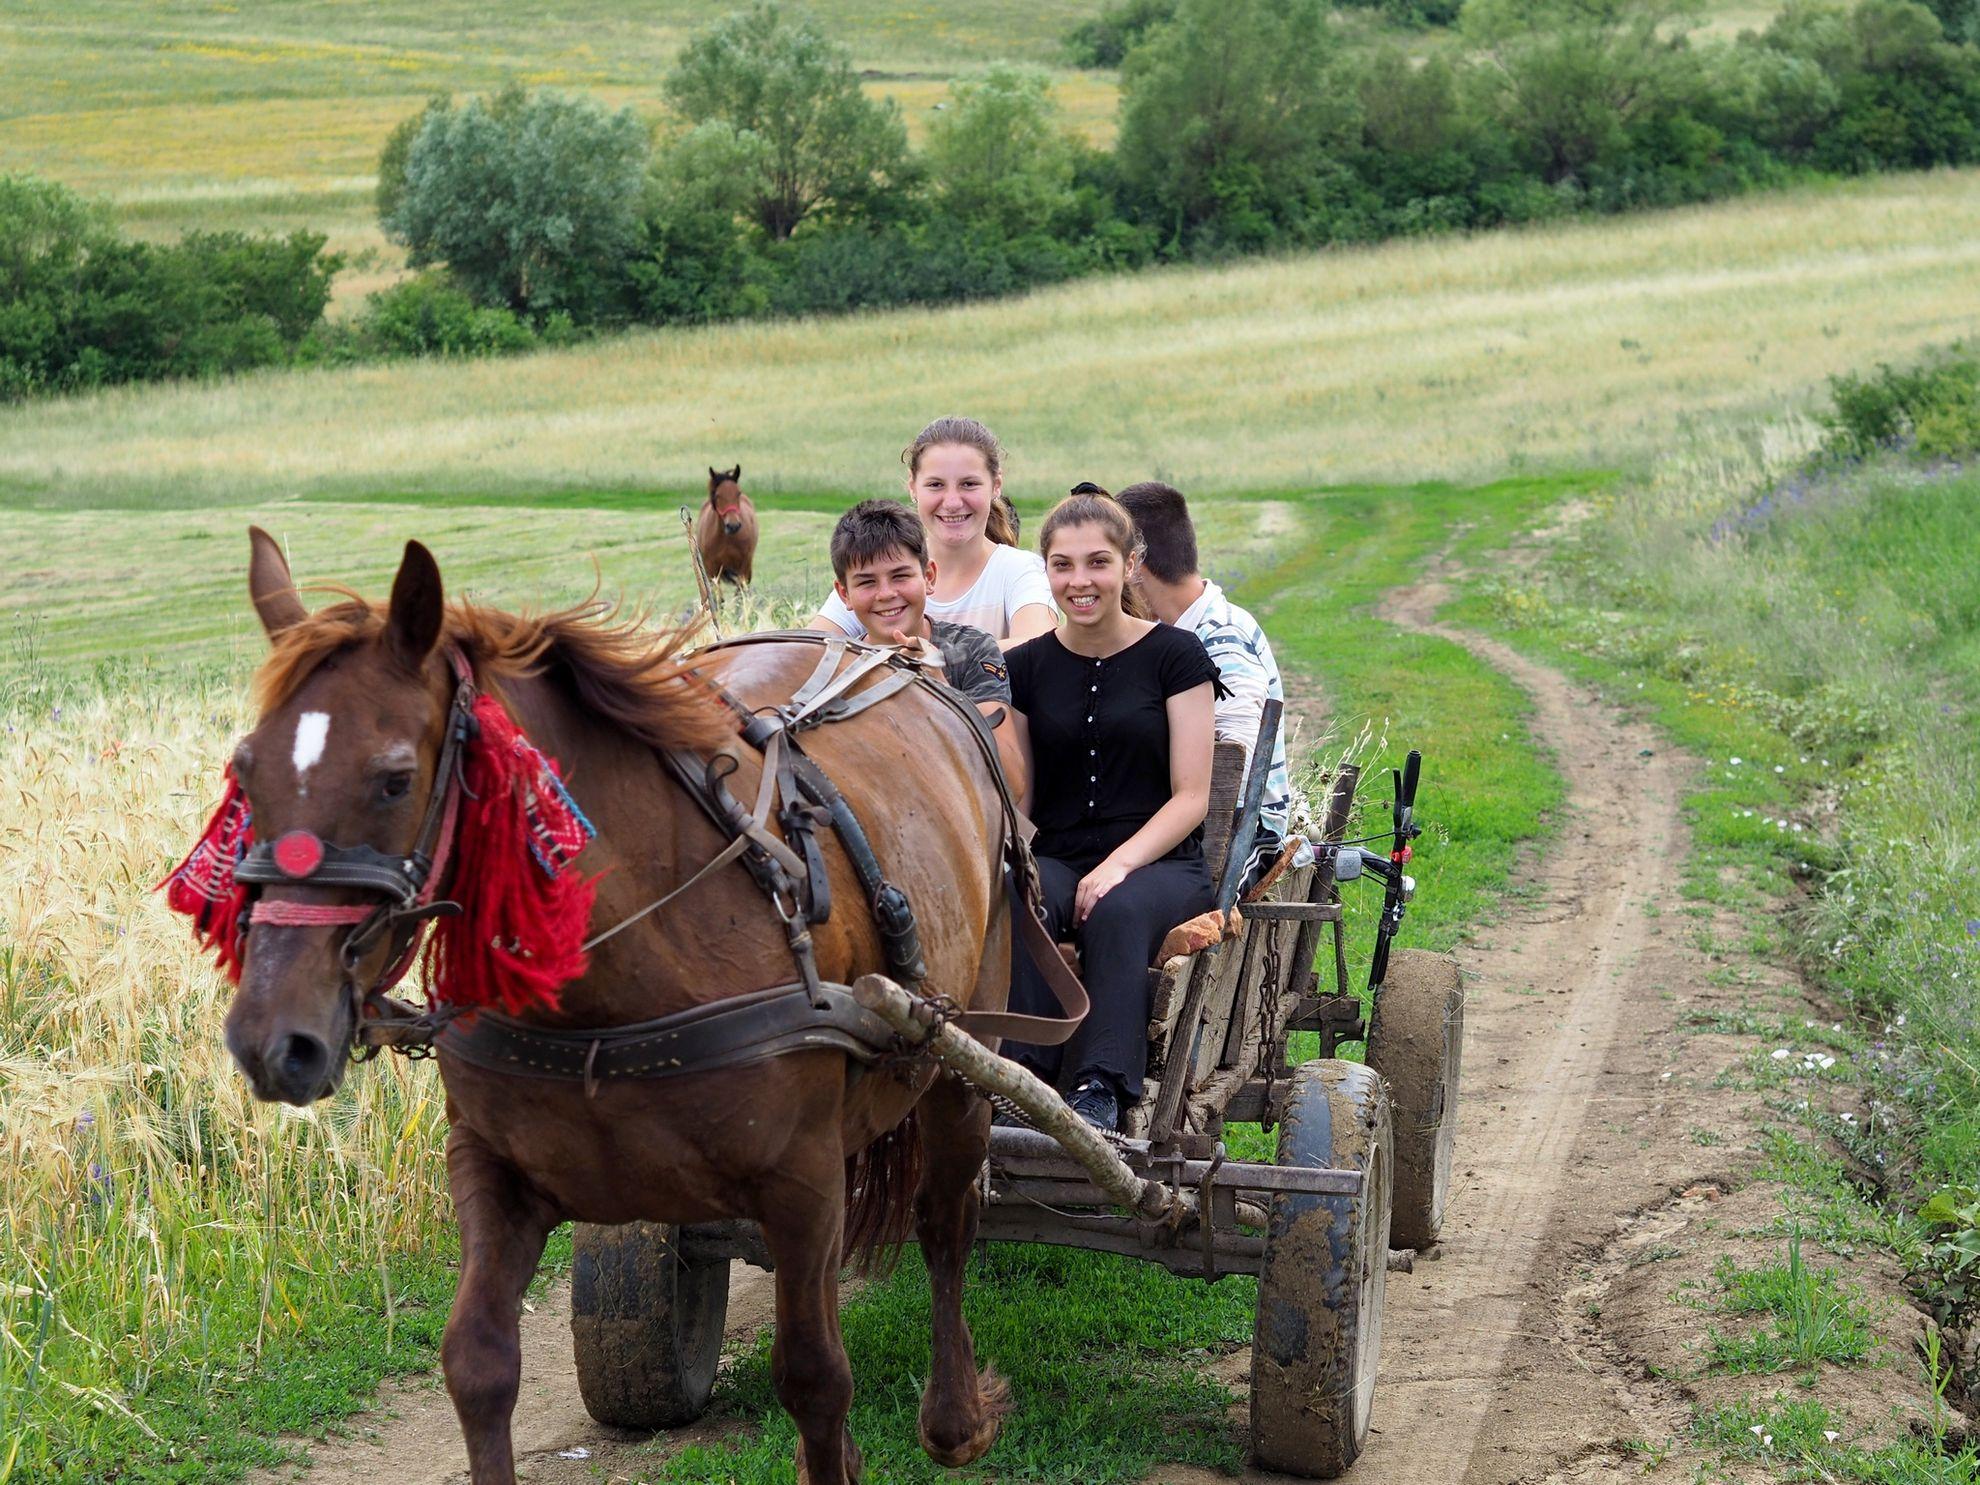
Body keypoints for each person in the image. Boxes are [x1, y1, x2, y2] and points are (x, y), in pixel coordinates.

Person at [1002, 487, 1222, 1132]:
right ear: (1046, 572)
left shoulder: (1174, 657)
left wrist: (1119, 865)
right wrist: (1016, 858)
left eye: (1097, 562)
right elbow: (1021, 796)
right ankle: (1020, 1076)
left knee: (1117, 912)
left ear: (1130, 565)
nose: (1079, 581)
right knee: (1023, 896)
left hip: (1162, 864)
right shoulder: (1024, 667)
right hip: (1060, 851)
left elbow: (1192, 796)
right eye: (1062, 565)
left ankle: (1102, 1086)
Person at [1117, 479, 1304, 889]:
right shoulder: (1168, 632)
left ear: (1135, 566)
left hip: (1243, 834)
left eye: (1106, 561)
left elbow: (1233, 766)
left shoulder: (1222, 639)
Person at [826, 498, 1025, 793]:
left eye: (900, 576)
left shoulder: (970, 651)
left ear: (928, 576)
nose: (885, 594)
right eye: (867, 583)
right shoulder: (834, 672)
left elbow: (1012, 780)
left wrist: (940, 691)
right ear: (844, 594)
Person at [811, 416, 1056, 648]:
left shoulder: (1018, 570)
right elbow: (807, 647)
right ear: (912, 487)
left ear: (996, 485)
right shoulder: (882, 569)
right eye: (935, 485)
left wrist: (924, 659)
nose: (951, 502)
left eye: (968, 484)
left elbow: (1037, 646)